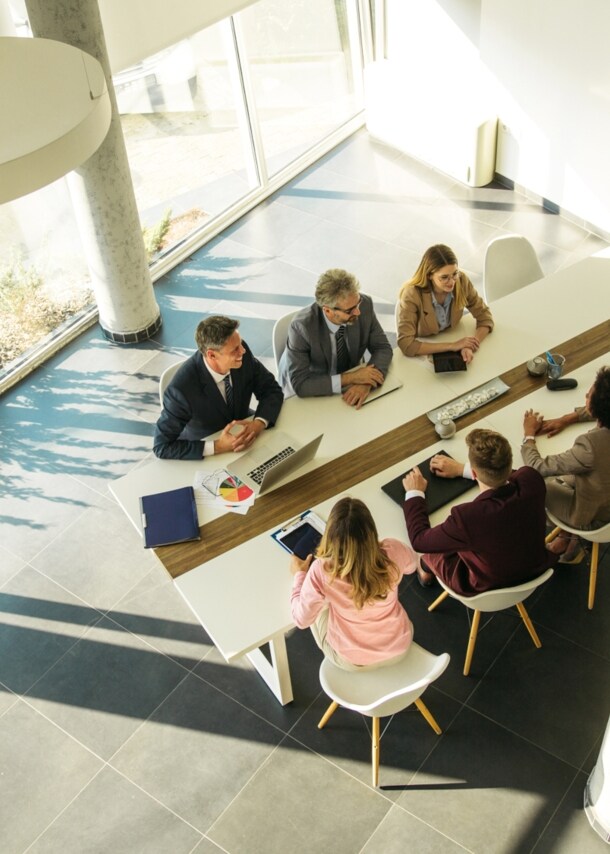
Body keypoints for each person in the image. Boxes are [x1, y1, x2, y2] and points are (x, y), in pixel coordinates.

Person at [402, 429, 555, 595]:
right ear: (509, 463)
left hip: (487, 586)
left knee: (432, 552)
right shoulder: (532, 479)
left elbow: (419, 540)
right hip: (535, 566)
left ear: (474, 473)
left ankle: (424, 568)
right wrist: (462, 469)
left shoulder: (467, 517)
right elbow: (515, 474)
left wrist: (414, 494)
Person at [289, 497, 418, 670]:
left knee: (316, 603)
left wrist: (300, 576)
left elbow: (301, 620)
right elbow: (412, 566)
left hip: (352, 661)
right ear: (371, 530)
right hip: (399, 646)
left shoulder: (322, 571)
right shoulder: (393, 551)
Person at [153, 315, 283, 460]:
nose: (243, 351)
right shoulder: (181, 391)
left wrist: (258, 424)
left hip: (245, 433)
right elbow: (161, 446)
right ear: (212, 355)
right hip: (208, 444)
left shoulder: (241, 351)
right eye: (235, 350)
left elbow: (271, 389)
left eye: (240, 344)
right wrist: (218, 446)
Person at [521, 365, 610, 560]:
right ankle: (565, 537)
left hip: (594, 518)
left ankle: (565, 539)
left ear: (596, 406)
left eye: (588, 395)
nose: (586, 393)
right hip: (603, 490)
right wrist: (568, 418)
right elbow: (600, 407)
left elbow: (537, 467)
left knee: (533, 484)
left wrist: (528, 435)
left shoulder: (590, 447)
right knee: (567, 477)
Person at [278, 268, 393, 409]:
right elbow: (301, 385)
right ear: (327, 310)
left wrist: (366, 382)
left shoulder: (365, 305)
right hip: (313, 386)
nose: (358, 311)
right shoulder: (302, 328)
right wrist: (351, 377)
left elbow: (382, 348)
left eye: (358, 303)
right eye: (349, 310)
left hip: (351, 382)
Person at [396, 244, 494, 362]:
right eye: (444, 277)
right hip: (426, 346)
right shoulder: (411, 294)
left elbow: (485, 316)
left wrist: (470, 345)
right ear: (429, 275)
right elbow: (406, 344)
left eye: (454, 274)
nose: (452, 282)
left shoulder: (461, 281)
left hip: (453, 335)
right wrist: (452, 346)